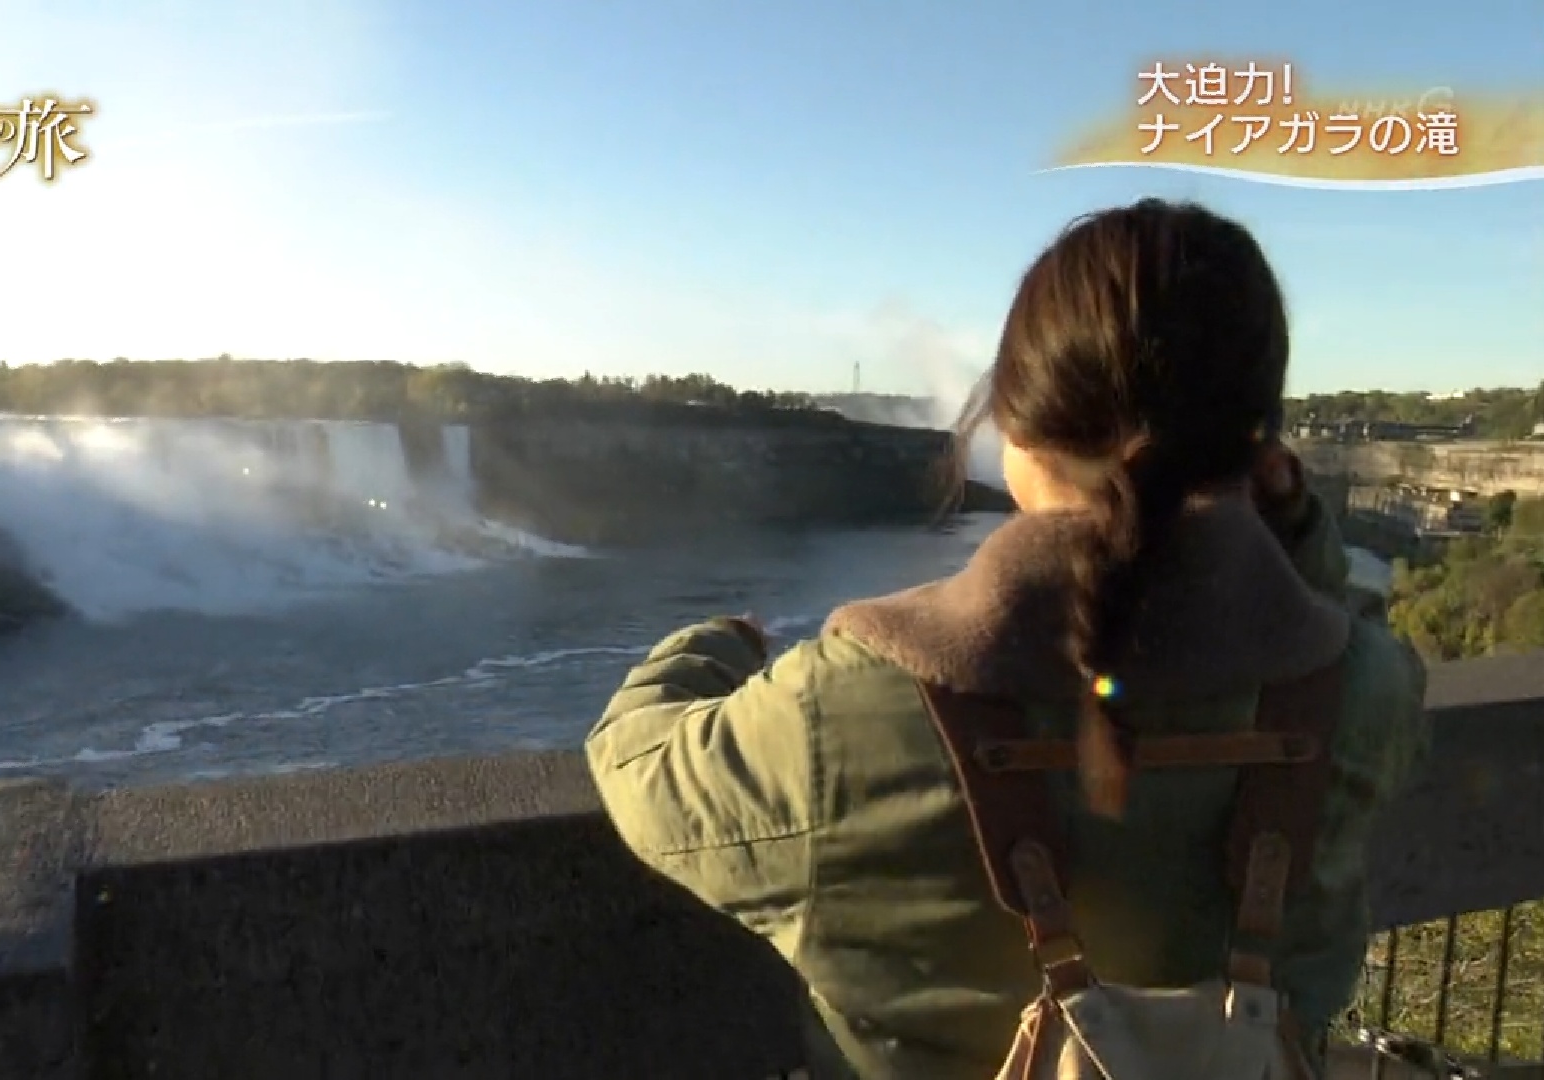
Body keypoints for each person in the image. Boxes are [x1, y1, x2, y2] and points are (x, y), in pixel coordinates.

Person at [584, 198, 1431, 1079]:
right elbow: (1351, 633)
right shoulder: (1360, 692)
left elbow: (634, 764)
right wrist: (1294, 533)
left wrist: (713, 646)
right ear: (1255, 447)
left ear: (1015, 428)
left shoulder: (839, 711)